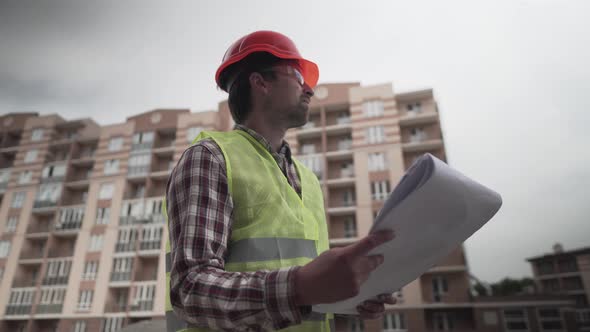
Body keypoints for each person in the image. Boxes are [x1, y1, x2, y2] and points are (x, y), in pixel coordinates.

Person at [165, 30, 396, 331]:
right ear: (260, 82)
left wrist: (351, 295)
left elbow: (307, 291)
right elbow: (190, 289)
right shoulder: (210, 157)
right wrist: (299, 286)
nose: (309, 89)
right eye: (298, 77)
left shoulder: (309, 181)